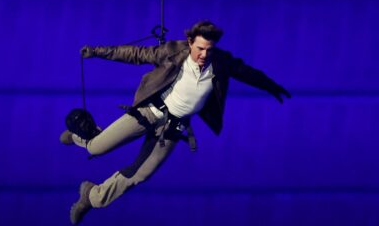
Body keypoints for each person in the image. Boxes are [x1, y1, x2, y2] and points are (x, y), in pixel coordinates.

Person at [60, 21, 291, 225]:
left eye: (209, 50)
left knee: (141, 174)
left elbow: (247, 72)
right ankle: (77, 137)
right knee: (96, 147)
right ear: (190, 42)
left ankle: (92, 196)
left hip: (172, 128)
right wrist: (97, 52)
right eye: (200, 48)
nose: (204, 55)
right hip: (148, 112)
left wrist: (271, 86)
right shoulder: (172, 51)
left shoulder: (220, 62)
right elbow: (135, 54)